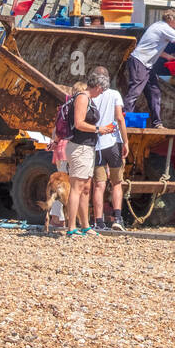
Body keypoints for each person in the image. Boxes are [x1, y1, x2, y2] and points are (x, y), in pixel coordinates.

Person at [87, 66, 129, 232]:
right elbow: (119, 118)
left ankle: (99, 221)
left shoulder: (90, 96)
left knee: (99, 185)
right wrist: (125, 141)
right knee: (117, 182)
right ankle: (117, 218)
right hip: (113, 143)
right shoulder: (114, 94)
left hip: (96, 144)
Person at [66, 82, 108, 237]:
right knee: (76, 188)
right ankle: (71, 227)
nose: (102, 93)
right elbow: (79, 123)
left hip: (88, 147)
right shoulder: (83, 97)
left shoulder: (89, 99)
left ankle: (85, 226)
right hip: (79, 147)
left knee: (85, 188)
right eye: (102, 89)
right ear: (97, 86)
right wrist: (98, 129)